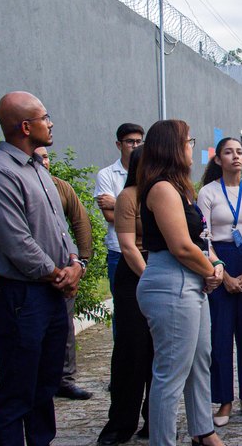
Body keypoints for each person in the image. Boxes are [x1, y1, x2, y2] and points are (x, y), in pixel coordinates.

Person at [0, 91, 85, 445]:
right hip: (23, 297)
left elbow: (59, 227)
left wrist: (75, 264)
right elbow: (17, 243)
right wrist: (58, 275)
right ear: (25, 126)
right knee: (17, 391)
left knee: (44, 387)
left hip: (50, 295)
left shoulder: (37, 168)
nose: (50, 123)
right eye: (44, 117)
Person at [136, 119, 224, 446]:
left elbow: (198, 240)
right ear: (173, 147)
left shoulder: (181, 189)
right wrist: (211, 271)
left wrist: (213, 264)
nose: (192, 147)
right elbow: (181, 246)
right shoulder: (161, 188)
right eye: (188, 141)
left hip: (190, 279)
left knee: (200, 359)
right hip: (170, 281)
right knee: (170, 374)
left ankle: (202, 430)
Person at [198, 137, 242, 426]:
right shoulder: (207, 193)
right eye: (228, 152)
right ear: (218, 160)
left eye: (239, 152)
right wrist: (222, 274)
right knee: (221, 335)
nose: (236, 157)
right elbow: (203, 238)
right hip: (219, 262)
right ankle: (224, 400)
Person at [97, 146, 153, 445]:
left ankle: (154, 418)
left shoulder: (167, 193)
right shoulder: (127, 197)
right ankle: (121, 423)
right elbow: (128, 246)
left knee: (160, 350)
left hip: (159, 270)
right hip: (134, 275)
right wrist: (150, 279)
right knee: (131, 351)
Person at [35, 147, 94, 401]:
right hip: (32, 271)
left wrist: (82, 261)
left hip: (65, 269)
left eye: (46, 156)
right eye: (38, 157)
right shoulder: (18, 184)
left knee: (65, 326)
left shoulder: (61, 188)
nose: (43, 161)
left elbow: (80, 222)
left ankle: (65, 378)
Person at [95, 122, 144, 336]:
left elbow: (152, 212)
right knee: (123, 308)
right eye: (129, 142)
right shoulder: (106, 174)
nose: (134, 146)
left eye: (138, 141)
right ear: (119, 144)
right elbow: (109, 216)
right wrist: (140, 215)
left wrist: (118, 204)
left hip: (145, 249)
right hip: (118, 250)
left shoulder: (147, 173)